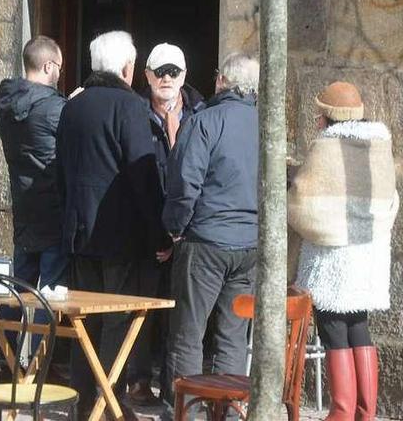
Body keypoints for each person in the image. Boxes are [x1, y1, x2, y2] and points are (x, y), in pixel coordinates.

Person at [56, 30, 170, 416]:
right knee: (116, 320)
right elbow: (143, 176)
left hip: (78, 232)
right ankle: (107, 405)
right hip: (118, 234)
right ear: (127, 67)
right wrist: (160, 233)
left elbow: (60, 173)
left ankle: (83, 402)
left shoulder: (73, 106)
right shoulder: (130, 106)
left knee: (83, 322)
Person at [289, 82, 398, 421]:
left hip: (333, 259)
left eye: (320, 114)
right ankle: (365, 413)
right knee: (358, 326)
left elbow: (303, 203)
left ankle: (341, 411)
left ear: (327, 117)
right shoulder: (378, 145)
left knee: (332, 326)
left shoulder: (327, 146)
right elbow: (389, 198)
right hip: (367, 255)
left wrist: (291, 186)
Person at [161, 53, 260, 419]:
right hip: (248, 244)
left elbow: (184, 182)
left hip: (206, 240)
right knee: (233, 334)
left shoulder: (205, 121)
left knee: (188, 332)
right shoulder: (265, 126)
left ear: (221, 81)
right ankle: (230, 412)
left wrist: (174, 228)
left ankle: (191, 412)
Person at [127, 43, 205, 405]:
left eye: (174, 72)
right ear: (146, 76)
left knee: (182, 316)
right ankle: (138, 381)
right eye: (160, 72)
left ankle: (178, 385)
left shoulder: (202, 115)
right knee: (143, 307)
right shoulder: (134, 112)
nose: (167, 79)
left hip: (189, 233)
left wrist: (176, 138)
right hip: (146, 229)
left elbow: (196, 177)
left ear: (185, 76)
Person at [0, 36, 68, 380]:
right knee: (48, 294)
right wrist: (73, 107)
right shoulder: (56, 108)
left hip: (23, 207)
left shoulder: (6, 101)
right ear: (49, 66)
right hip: (52, 207)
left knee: (19, 289)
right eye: (60, 68)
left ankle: (4, 360)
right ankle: (41, 366)